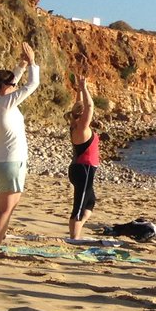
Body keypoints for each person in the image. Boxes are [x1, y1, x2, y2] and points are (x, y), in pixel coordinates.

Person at [0, 41, 40, 257]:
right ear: (5, 88)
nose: (14, 88)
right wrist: (32, 63)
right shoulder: (6, 103)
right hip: (10, 163)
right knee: (5, 210)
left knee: (0, 210)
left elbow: (9, 84)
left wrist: (20, 67)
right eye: (12, 86)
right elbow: (32, 85)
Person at [67, 71, 101, 241]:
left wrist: (80, 89)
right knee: (79, 207)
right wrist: (85, 88)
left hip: (80, 170)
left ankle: (77, 229)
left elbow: (79, 106)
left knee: (90, 202)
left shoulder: (75, 126)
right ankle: (74, 238)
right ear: (83, 116)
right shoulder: (81, 129)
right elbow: (89, 106)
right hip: (83, 170)